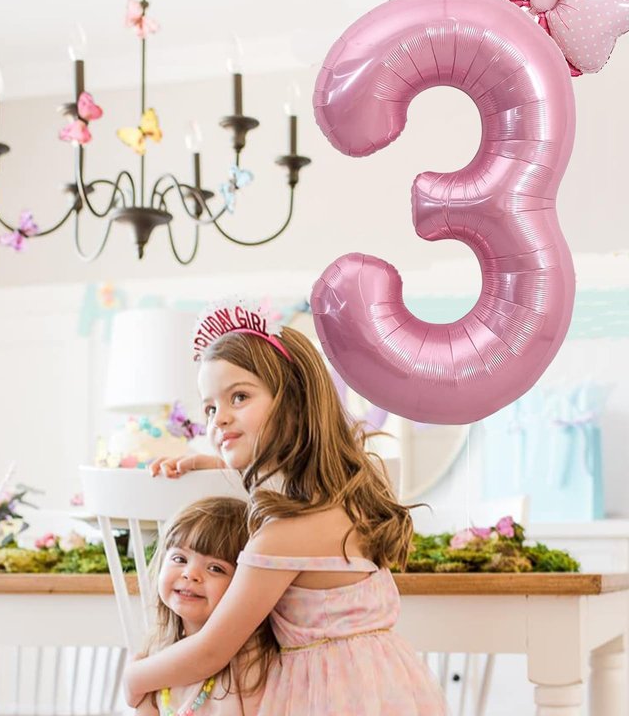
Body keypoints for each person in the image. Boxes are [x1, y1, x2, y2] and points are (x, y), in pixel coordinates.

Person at [127, 303, 448, 715]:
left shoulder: (283, 536)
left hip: (326, 698)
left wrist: (136, 677)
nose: (219, 419)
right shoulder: (343, 496)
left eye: (239, 397)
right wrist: (219, 464)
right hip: (385, 686)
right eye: (210, 408)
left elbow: (212, 651)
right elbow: (276, 479)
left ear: (293, 403)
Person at [134, 495, 277, 715]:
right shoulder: (155, 656)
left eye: (215, 568)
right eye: (180, 559)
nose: (190, 574)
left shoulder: (251, 661)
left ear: (244, 586)